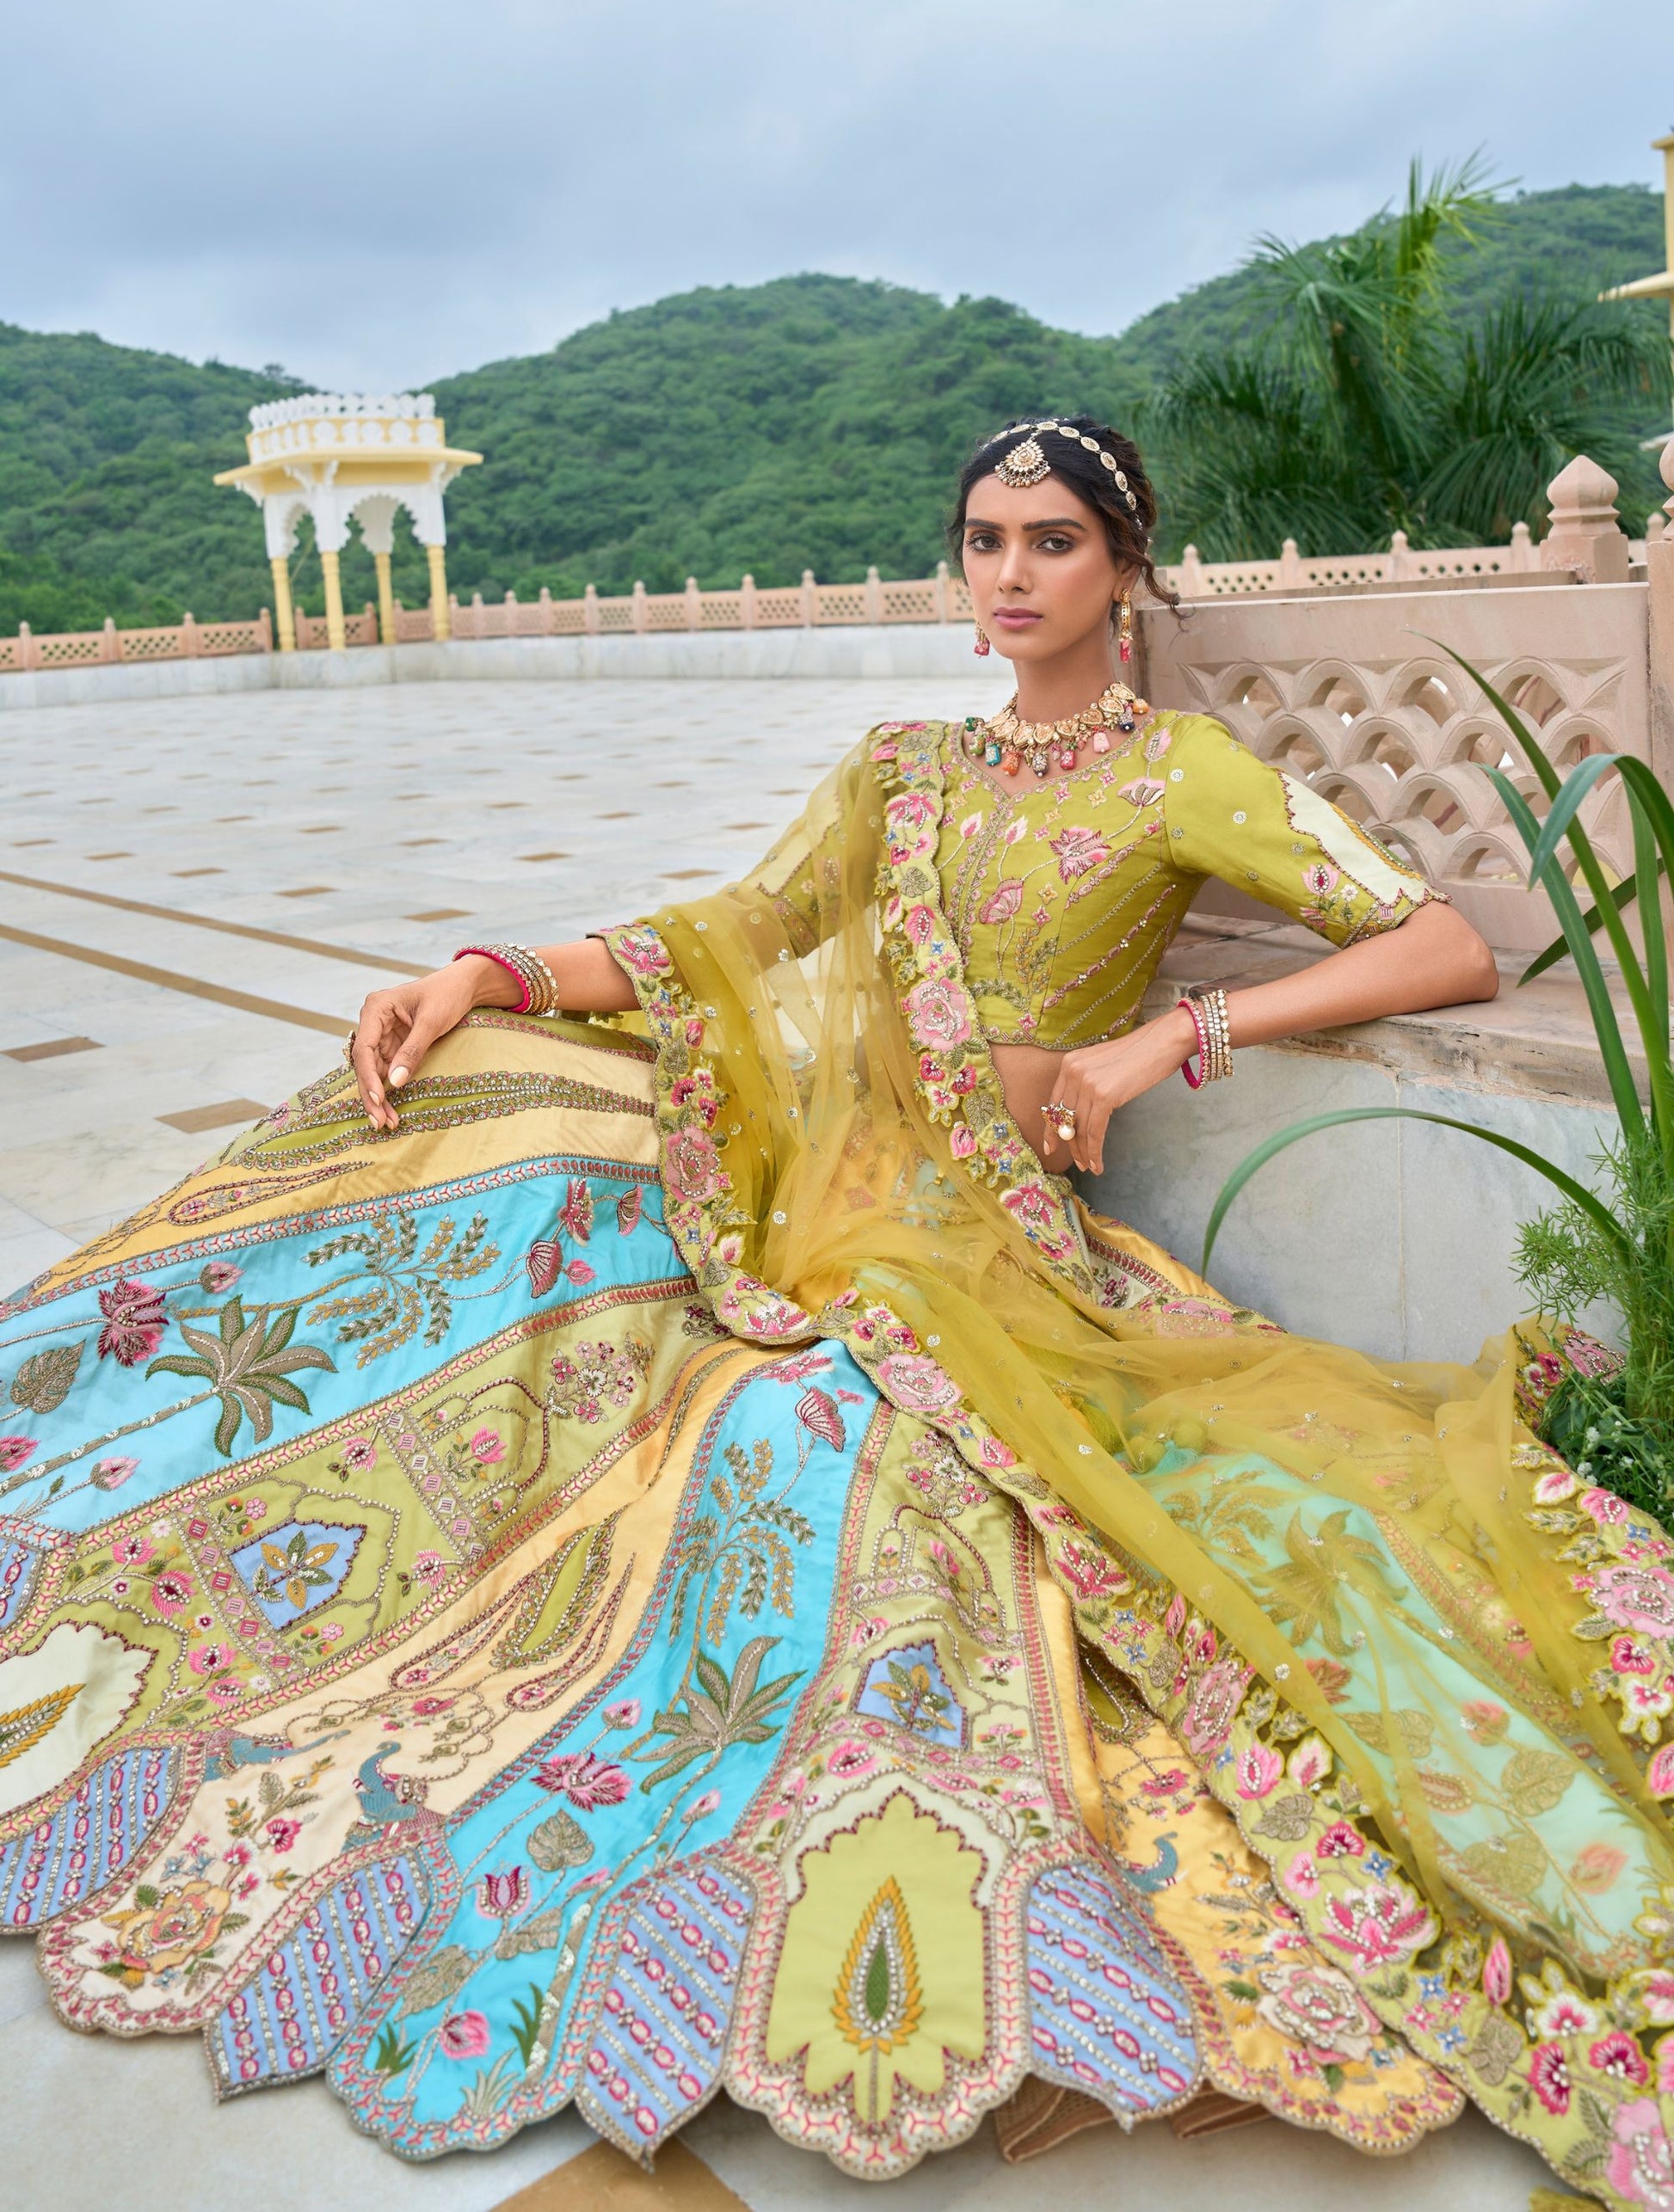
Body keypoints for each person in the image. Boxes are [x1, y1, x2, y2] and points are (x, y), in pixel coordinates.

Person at [0, 416, 1665, 2208]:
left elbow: (1443, 944)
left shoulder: (1179, 772)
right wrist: (479, 970)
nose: (1009, 573)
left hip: (991, 1247)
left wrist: (1162, 1038)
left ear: (1123, 566)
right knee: (490, 1136)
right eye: (982, 540)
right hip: (827, 1189)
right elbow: (735, 930)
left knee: (794, 1443)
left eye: (1049, 540)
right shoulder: (905, 766)